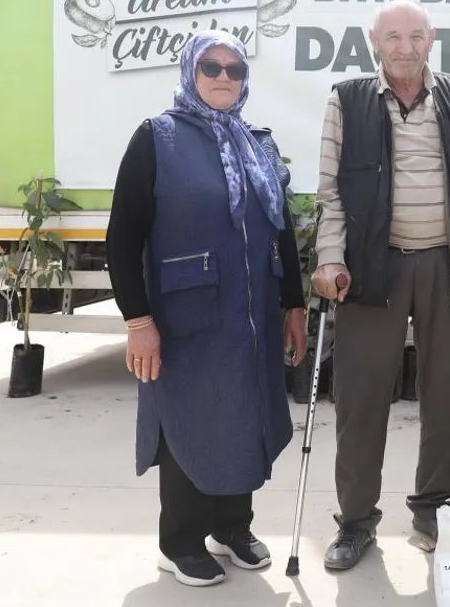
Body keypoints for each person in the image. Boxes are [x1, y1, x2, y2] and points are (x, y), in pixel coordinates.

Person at [105, 30, 308, 588]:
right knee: (191, 420)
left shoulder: (258, 143)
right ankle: (181, 542)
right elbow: (122, 237)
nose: (223, 77)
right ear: (190, 72)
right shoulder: (157, 138)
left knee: (244, 414)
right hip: (185, 318)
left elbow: (281, 230)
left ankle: (231, 527)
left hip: (251, 314)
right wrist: (138, 321)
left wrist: (294, 304)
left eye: (234, 69)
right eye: (211, 67)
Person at [311, 0, 450, 570]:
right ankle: (355, 522)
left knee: (445, 395)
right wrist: (330, 257)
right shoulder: (347, 99)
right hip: (372, 266)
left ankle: (431, 508)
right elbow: (329, 191)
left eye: (415, 35)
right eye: (393, 36)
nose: (404, 47)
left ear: (431, 39)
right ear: (373, 40)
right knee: (361, 398)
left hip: (447, 266)